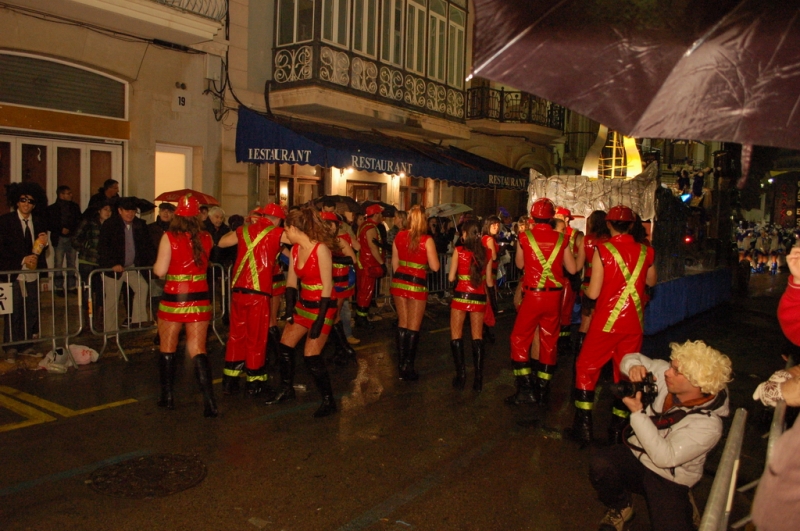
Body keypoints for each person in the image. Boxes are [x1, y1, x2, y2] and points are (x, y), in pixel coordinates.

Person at [589, 342, 732, 531]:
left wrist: (638, 414)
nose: (667, 372)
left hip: (670, 477)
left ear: (697, 384)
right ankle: (621, 507)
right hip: (639, 456)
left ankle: (685, 503)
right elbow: (629, 358)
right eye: (672, 365)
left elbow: (665, 458)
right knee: (600, 464)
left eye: (676, 371)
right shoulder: (666, 377)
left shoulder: (709, 425)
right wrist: (634, 367)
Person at [569, 205, 657, 446]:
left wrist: (584, 288)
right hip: (634, 323)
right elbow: (651, 281)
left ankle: (584, 426)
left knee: (586, 368)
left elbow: (594, 292)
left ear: (608, 224)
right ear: (631, 225)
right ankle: (619, 429)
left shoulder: (603, 250)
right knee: (626, 372)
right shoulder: (646, 251)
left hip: (606, 322)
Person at [264, 207, 339, 418]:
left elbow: (327, 286)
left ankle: (329, 400)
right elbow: (291, 282)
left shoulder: (320, 250)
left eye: (286, 228)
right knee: (285, 346)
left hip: (323, 307)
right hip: (303, 305)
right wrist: (289, 309)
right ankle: (286, 389)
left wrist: (320, 321)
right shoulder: (296, 250)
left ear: (295, 228)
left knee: (311, 356)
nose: (284, 232)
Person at [506, 199, 577, 406]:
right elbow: (572, 269)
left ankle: (525, 389)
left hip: (533, 296)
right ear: (551, 217)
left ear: (533, 217)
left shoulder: (524, 237)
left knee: (519, 339)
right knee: (549, 342)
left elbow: (520, 264)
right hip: (554, 297)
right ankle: (543, 389)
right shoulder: (562, 239)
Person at [152, 194, 217, 417]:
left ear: (177, 215)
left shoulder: (169, 237)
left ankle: (168, 397)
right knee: (198, 349)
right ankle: (210, 402)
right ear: (198, 216)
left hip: (174, 298)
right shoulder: (207, 237)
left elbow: (160, 270)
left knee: (167, 347)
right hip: (200, 297)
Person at [217, 203, 284, 396]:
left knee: (236, 335)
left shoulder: (243, 230)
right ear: (277, 220)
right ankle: (254, 382)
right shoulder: (277, 232)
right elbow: (300, 241)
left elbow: (222, 242)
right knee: (256, 337)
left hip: (238, 291)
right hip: (258, 292)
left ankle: (230, 380)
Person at [0, 182, 49, 362]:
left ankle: (26, 345)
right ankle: (11, 347)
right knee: (13, 311)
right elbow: (2, 249)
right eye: (23, 200)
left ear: (35, 205)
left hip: (32, 274)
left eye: (30, 201)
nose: (26, 204)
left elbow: (39, 248)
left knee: (31, 310)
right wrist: (22, 259)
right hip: (12, 273)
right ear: (16, 202)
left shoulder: (38, 221)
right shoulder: (5, 221)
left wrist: (44, 243)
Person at [390, 206, 440, 381]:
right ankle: (408, 366)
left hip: (399, 282)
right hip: (417, 283)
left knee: (402, 323)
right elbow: (435, 267)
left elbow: (394, 262)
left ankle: (401, 364)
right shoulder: (426, 240)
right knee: (413, 326)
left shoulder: (399, 235)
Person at [98, 196, 157, 332]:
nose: (130, 214)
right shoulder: (110, 225)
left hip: (131, 267)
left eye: (132, 211)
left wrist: (152, 262)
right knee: (112, 300)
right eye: (127, 211)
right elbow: (103, 247)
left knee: (142, 287)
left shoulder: (139, 225)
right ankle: (110, 332)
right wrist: (112, 264)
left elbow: (147, 246)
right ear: (120, 211)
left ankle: (138, 321)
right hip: (112, 269)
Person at [448, 220, 493, 391]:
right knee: (477, 337)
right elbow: (489, 280)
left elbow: (451, 277)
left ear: (465, 234)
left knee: (456, 336)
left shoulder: (459, 251)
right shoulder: (486, 253)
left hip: (461, 297)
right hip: (479, 297)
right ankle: (478, 379)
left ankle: (461, 376)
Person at [321, 211, 359, 367]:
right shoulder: (321, 241)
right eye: (325, 224)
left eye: (331, 224)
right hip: (328, 284)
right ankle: (342, 350)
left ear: (336, 226)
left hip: (340, 283)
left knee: (334, 316)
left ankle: (344, 350)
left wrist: (330, 258)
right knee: (331, 317)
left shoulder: (339, 240)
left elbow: (352, 259)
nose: (328, 227)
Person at [73, 201, 113, 331]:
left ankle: (98, 320)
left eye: (110, 210)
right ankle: (87, 320)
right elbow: (75, 239)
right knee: (87, 292)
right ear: (99, 211)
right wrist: (86, 247)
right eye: (105, 209)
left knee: (102, 292)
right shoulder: (89, 223)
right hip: (87, 261)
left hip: (103, 263)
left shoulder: (110, 226)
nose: (108, 212)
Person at [577, 210, 610, 353]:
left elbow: (577, 266)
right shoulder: (610, 241)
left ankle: (580, 353)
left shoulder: (586, 240)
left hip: (588, 284)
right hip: (606, 285)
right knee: (604, 322)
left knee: (585, 321)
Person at [554, 207, 585, 353]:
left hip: (569, 276)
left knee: (565, 311)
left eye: (558, 215)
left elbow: (583, 254)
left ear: (566, 219)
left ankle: (563, 342)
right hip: (556, 276)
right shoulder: (554, 233)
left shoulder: (575, 235)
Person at [354, 204, 386, 328]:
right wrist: (382, 264)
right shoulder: (370, 228)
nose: (382, 216)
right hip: (369, 264)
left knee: (363, 291)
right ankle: (362, 319)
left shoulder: (364, 225)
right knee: (366, 292)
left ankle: (360, 316)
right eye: (380, 213)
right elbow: (373, 248)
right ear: (376, 214)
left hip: (363, 264)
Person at [47, 185, 82, 293]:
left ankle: (71, 286)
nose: (71, 195)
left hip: (71, 237)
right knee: (58, 263)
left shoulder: (74, 207)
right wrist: (60, 229)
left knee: (71, 262)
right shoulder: (52, 209)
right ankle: (58, 287)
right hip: (59, 238)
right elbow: (49, 223)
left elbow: (79, 221)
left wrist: (70, 229)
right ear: (61, 195)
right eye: (68, 193)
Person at [481, 215, 501, 344]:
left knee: (487, 304)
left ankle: (485, 331)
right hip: (488, 274)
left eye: (498, 225)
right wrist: (500, 252)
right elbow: (493, 256)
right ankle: (485, 331)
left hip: (489, 274)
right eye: (493, 224)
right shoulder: (488, 239)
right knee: (489, 303)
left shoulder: (486, 238)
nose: (496, 227)